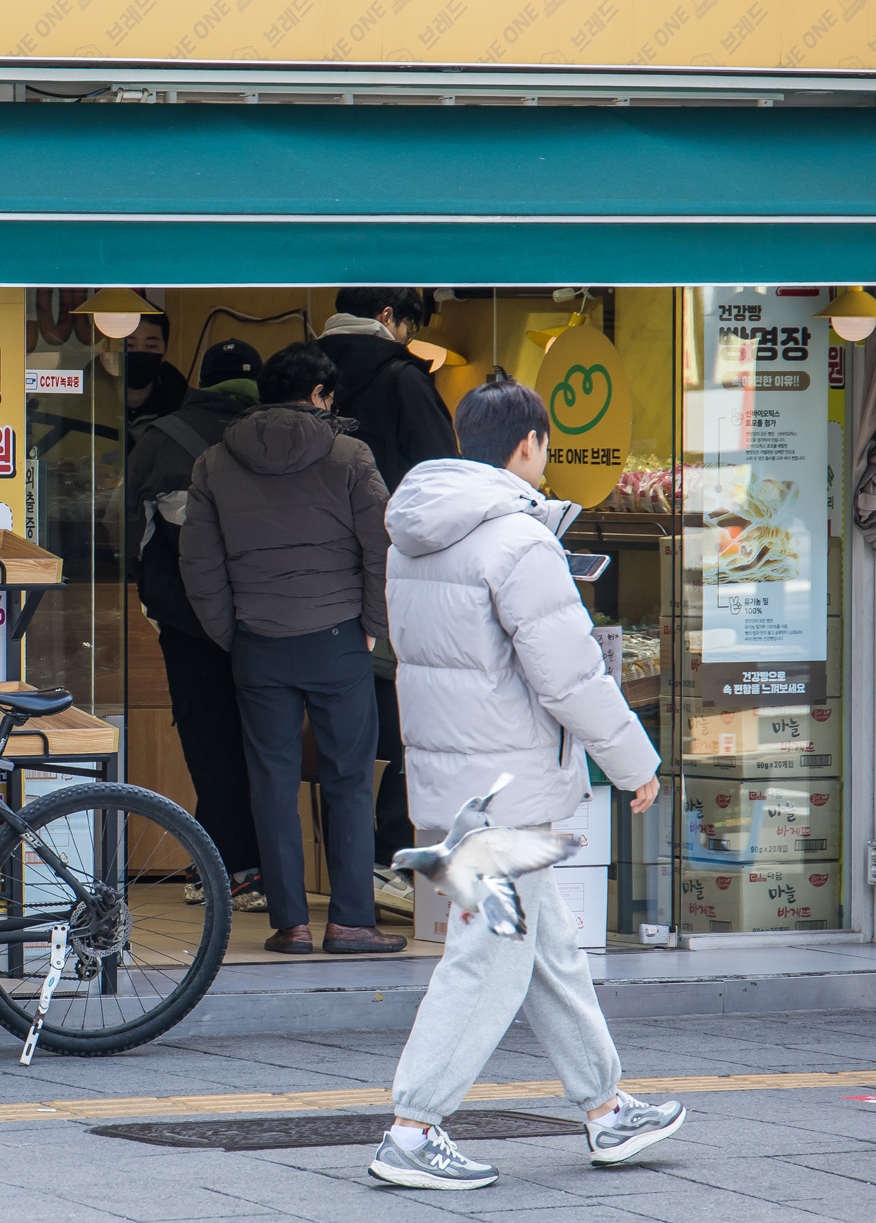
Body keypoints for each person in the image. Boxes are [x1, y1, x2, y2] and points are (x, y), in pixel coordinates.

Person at [368, 381, 682, 1191]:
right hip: (510, 783)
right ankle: (413, 1127)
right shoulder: (517, 539)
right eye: (545, 445)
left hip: (456, 777)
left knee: (547, 952)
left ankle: (606, 1107)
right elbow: (570, 674)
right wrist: (635, 762)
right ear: (528, 445)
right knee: (488, 959)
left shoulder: (417, 536)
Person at [178, 342, 403, 956]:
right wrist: (372, 625)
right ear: (320, 395)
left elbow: (199, 565)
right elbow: (382, 548)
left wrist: (233, 632)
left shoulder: (213, 462)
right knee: (348, 781)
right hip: (338, 639)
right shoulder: (350, 455)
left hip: (258, 642)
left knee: (271, 784)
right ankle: (350, 922)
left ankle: (291, 925)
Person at [318, 288, 464, 891]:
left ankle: (335, 870)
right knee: (414, 716)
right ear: (388, 317)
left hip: (313, 584)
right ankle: (390, 853)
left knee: (330, 727)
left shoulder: (300, 373)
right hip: (399, 575)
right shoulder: (405, 381)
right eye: (410, 325)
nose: (410, 338)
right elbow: (445, 481)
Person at [124, 339, 265, 911]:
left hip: (189, 623)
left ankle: (229, 866)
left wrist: (154, 606)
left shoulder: (162, 437)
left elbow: (130, 534)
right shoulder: (284, 435)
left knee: (211, 743)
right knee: (267, 743)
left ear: (204, 379)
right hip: (273, 617)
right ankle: (250, 865)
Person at [122, 312, 189, 425]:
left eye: (151, 346)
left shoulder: (183, 406)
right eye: (129, 345)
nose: (140, 352)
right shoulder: (91, 400)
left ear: (165, 352)